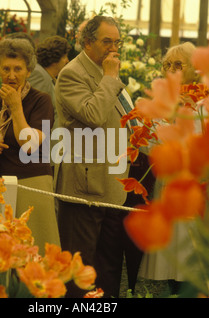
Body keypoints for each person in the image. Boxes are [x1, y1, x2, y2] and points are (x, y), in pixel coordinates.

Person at [54, 16, 131, 298]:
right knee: (81, 267)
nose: (114, 49)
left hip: (112, 185)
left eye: (117, 42)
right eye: (106, 41)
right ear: (87, 42)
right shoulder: (73, 73)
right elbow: (93, 116)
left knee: (108, 266)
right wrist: (111, 78)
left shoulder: (104, 70)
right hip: (83, 187)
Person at [0, 38, 60, 256]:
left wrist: (17, 107)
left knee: (34, 253)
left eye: (18, 69)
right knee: (3, 255)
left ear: (29, 71)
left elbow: (30, 145)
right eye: (6, 68)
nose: (11, 75)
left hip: (32, 184)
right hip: (0, 185)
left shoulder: (41, 100)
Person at [137, 41, 201, 295]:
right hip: (168, 186)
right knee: (173, 262)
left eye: (178, 64)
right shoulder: (161, 99)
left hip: (195, 188)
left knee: (194, 259)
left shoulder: (206, 99)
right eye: (168, 65)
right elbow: (150, 146)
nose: (171, 69)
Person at [28, 35, 71, 130]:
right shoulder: (39, 75)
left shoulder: (48, 76)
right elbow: (35, 111)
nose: (67, 61)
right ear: (55, 59)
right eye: (64, 56)